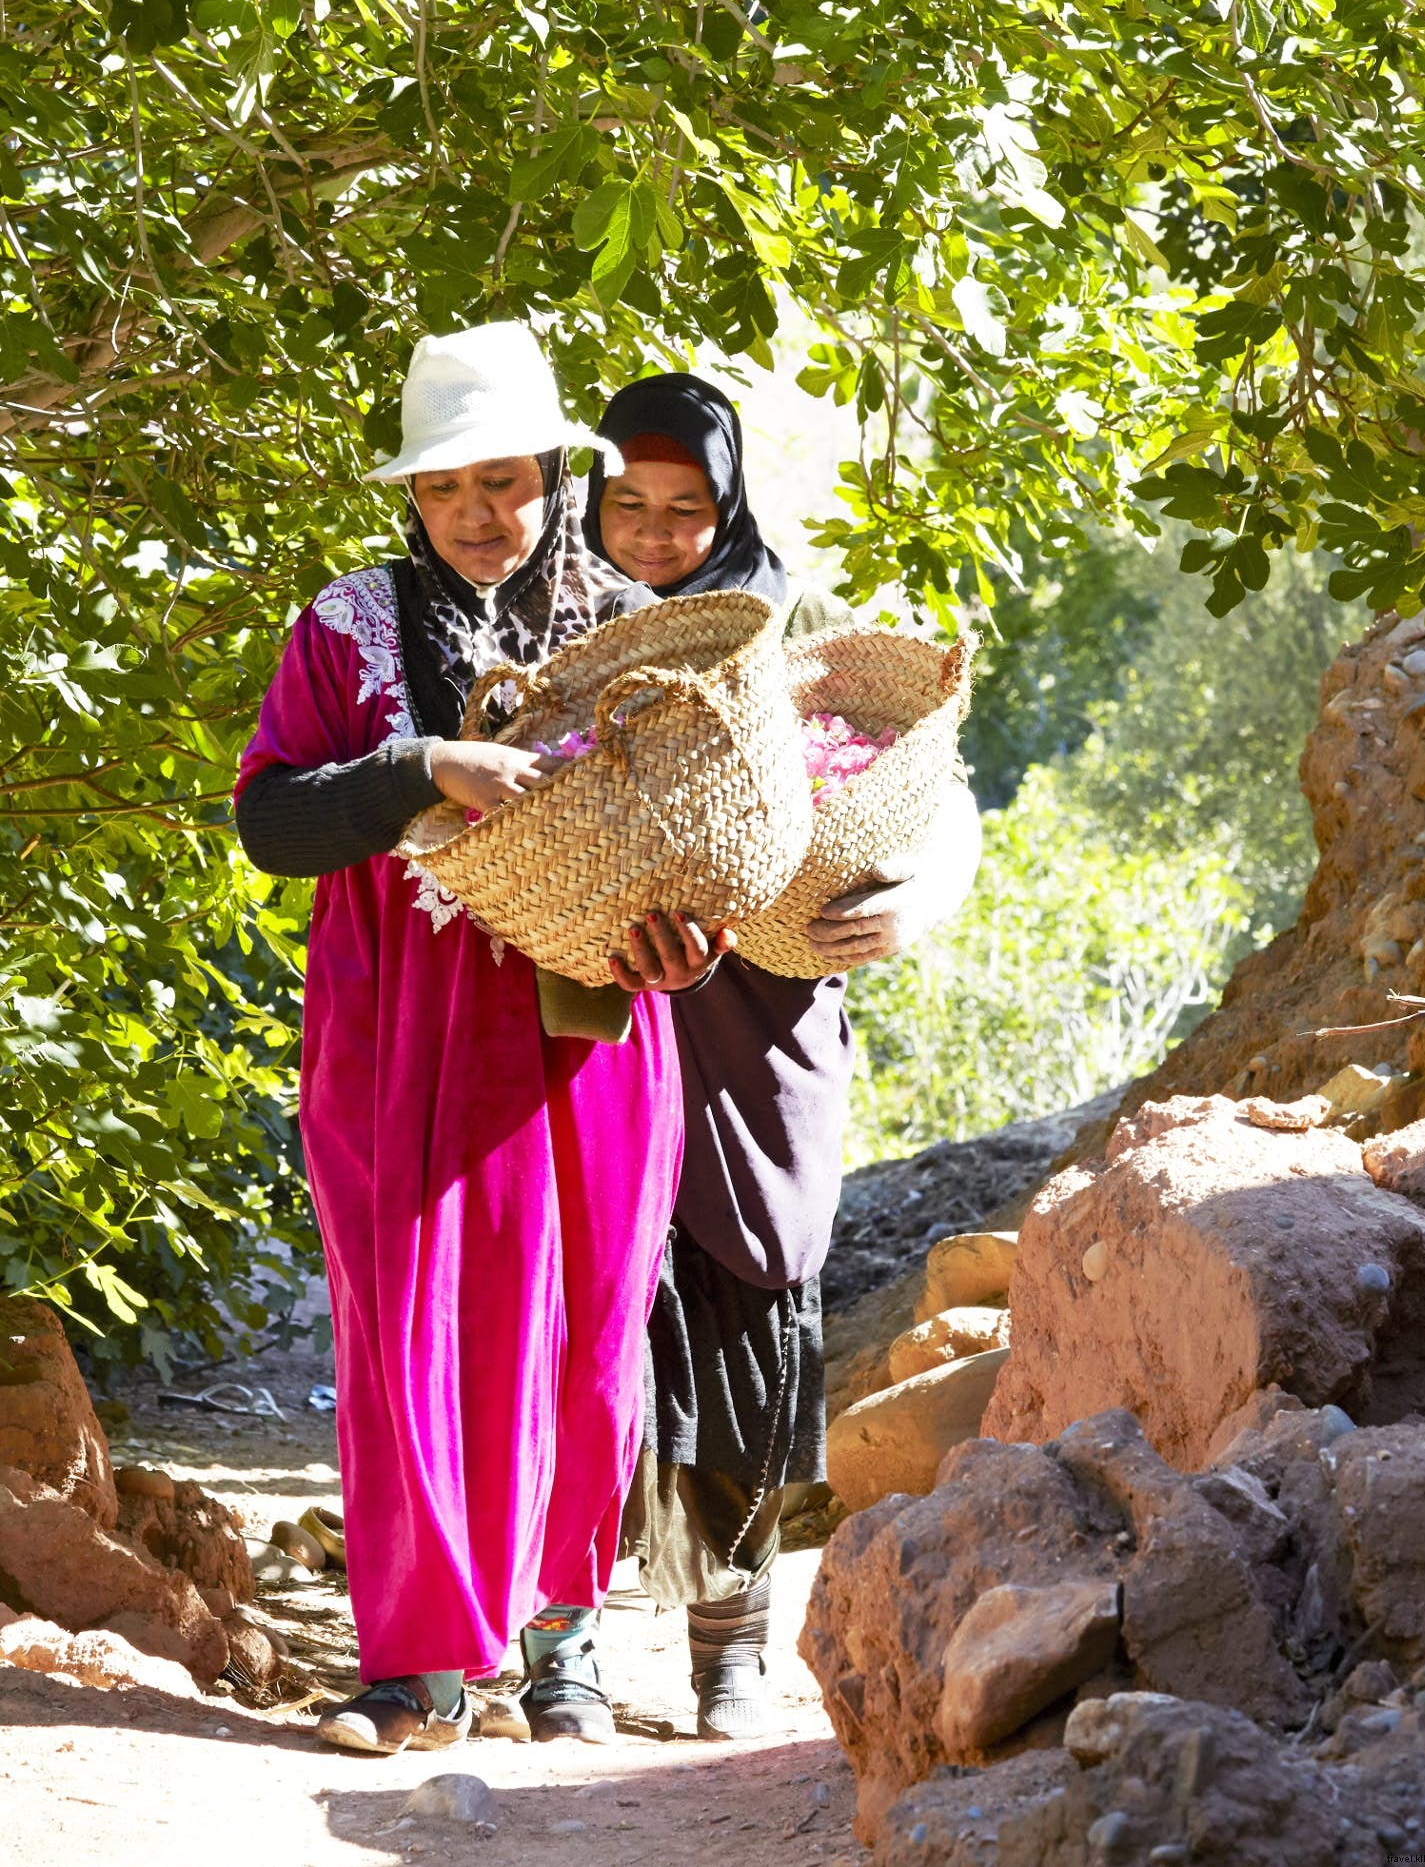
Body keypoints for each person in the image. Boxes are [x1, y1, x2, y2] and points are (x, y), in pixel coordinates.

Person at [234, 324, 730, 1756]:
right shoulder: (343, 628)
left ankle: (560, 1644)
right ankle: (423, 1665)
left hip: (586, 1049)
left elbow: (700, 844)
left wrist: (686, 943)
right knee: (410, 1330)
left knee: (578, 1337)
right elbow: (268, 818)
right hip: (396, 1040)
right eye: (448, 485)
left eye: (506, 482)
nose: (479, 513)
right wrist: (416, 771)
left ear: (554, 479)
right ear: (413, 492)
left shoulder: (634, 628)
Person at [570, 372, 982, 1739]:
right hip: (592, 1005)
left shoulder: (786, 620)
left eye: (686, 506)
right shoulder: (552, 622)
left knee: (742, 1308)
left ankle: (727, 1642)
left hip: (761, 1029)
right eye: (626, 503)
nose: (653, 533)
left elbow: (933, 796)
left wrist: (912, 900)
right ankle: (555, 1638)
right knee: (587, 1316)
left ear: (729, 502)